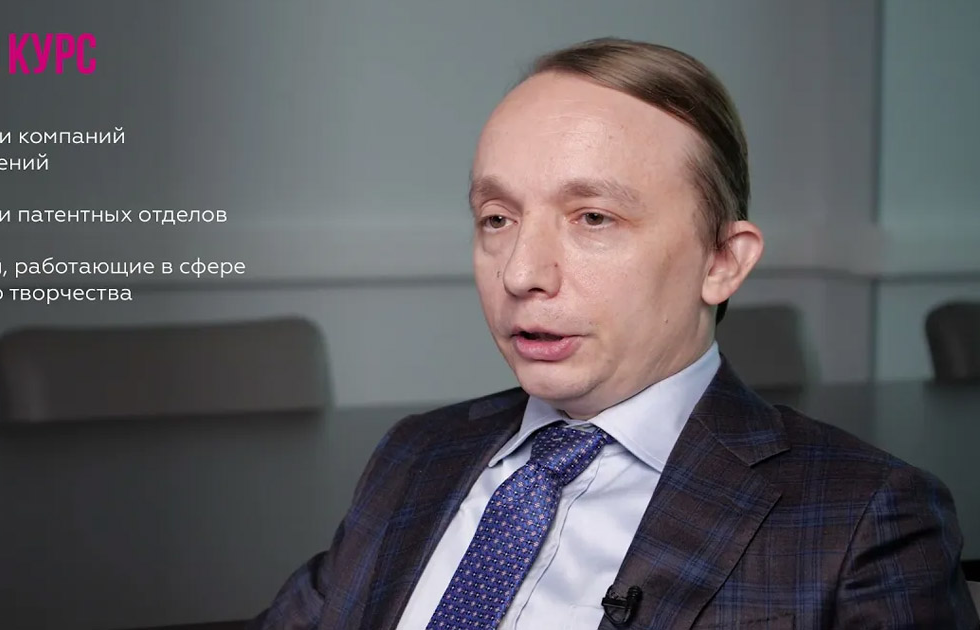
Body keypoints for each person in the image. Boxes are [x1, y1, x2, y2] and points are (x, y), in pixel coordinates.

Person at [249, 37, 979, 630]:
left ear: (722, 262)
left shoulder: (865, 521)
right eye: (497, 219)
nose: (521, 273)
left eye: (593, 218)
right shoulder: (417, 455)